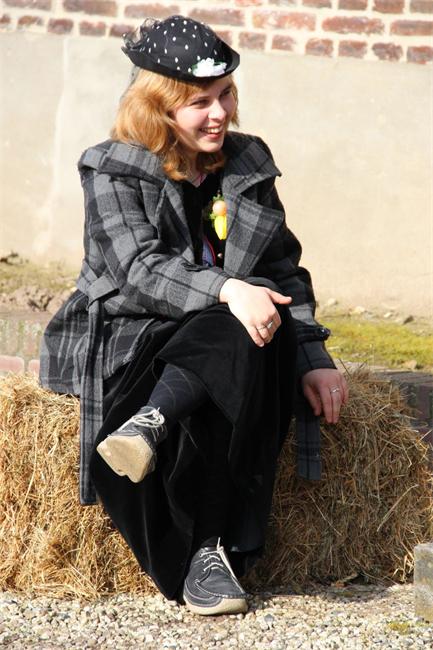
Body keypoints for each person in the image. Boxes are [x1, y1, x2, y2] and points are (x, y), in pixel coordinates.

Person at [40, 15, 348, 616]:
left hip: (233, 342)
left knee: (254, 314)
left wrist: (314, 357)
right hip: (136, 342)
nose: (220, 113)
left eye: (225, 94)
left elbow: (283, 268)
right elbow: (137, 270)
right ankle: (208, 551)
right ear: (158, 108)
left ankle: (153, 427)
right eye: (199, 102)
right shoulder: (112, 167)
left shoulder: (246, 162)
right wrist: (230, 288)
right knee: (244, 316)